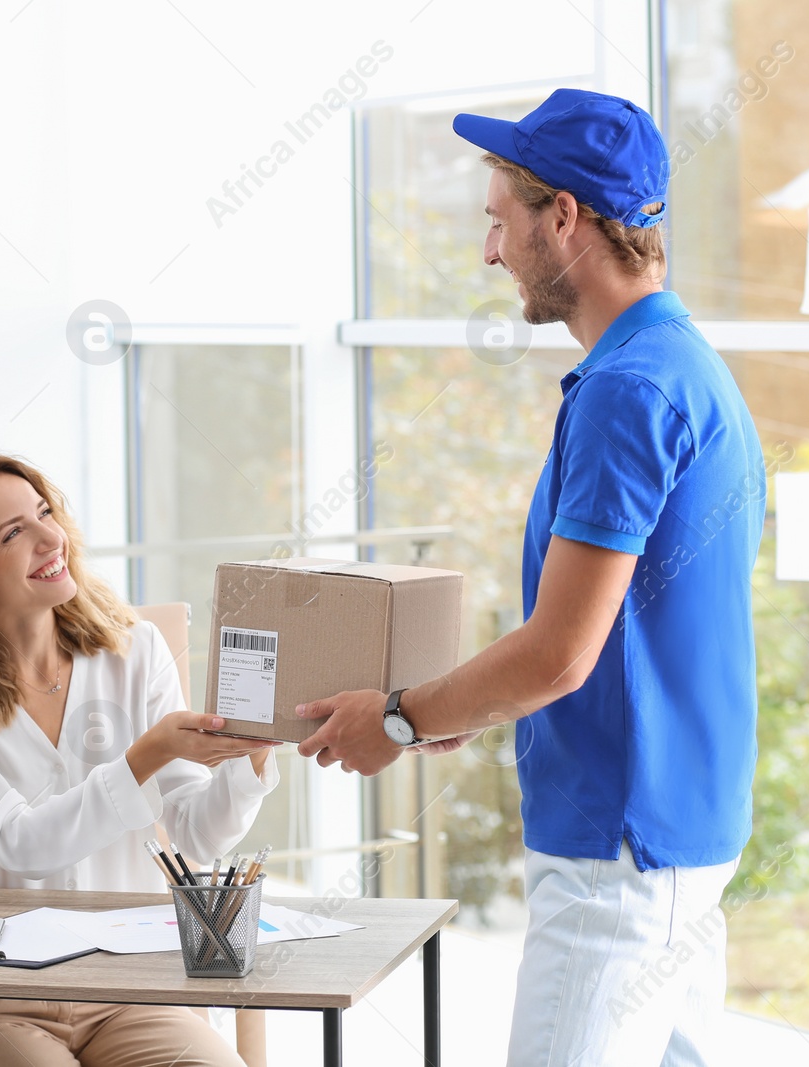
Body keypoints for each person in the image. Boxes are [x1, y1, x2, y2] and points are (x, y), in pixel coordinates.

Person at [294, 89, 765, 1066]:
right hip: (674, 830)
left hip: (618, 847)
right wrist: (457, 701)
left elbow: (559, 653)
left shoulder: (628, 392)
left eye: (498, 221)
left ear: (564, 217)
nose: (490, 252)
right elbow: (622, 628)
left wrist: (395, 718)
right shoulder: (679, 365)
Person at [0, 452, 280, 1067]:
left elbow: (197, 829)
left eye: (45, 514)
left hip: (131, 986)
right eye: (15, 533)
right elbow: (20, 844)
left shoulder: (134, 650)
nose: (51, 538)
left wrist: (248, 755)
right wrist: (148, 753)